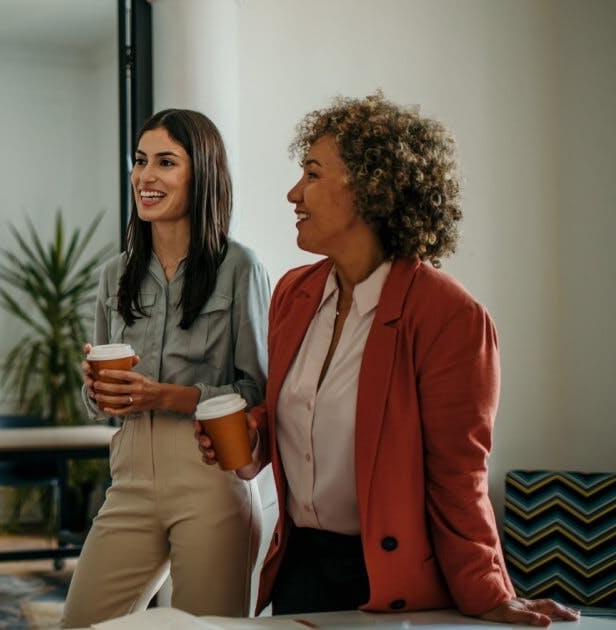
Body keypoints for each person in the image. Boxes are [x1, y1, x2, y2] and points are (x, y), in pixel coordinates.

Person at [194, 93, 580, 626]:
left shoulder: (449, 316)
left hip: (389, 580)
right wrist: (252, 437)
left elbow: (458, 477)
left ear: (371, 189)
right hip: (299, 567)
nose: (292, 193)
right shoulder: (293, 293)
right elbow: (300, 418)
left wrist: (490, 592)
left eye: (311, 174)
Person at [61, 109, 270, 626]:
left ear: (200, 174)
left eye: (165, 162)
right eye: (139, 161)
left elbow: (256, 391)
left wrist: (164, 395)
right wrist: (99, 391)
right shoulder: (116, 273)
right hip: (129, 476)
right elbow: (99, 397)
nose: (145, 176)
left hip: (210, 477)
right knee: (82, 623)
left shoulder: (240, 267)